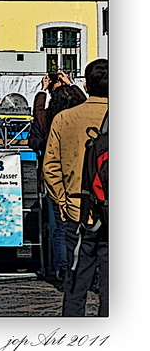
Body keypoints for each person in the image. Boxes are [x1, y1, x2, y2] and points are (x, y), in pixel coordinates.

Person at [43, 59, 109, 316]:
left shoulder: (64, 118)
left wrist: (62, 201)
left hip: (76, 208)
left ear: (86, 84)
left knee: (76, 280)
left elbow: (50, 168)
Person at [28, 71, 88, 288]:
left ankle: (62, 270)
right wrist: (70, 85)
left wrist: (42, 90)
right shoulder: (77, 117)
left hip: (54, 178)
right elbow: (83, 102)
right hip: (79, 175)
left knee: (59, 227)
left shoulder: (48, 119)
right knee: (84, 224)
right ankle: (82, 268)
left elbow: (38, 112)